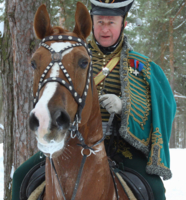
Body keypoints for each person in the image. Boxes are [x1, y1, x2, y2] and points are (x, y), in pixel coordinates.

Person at [88, 0, 176, 200]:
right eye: (100, 21)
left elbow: (162, 109)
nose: (105, 29)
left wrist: (123, 106)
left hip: (121, 146)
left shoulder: (143, 67)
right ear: (92, 23)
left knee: (155, 190)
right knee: (23, 176)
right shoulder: (73, 58)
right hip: (77, 142)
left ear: (123, 24)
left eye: (111, 22)